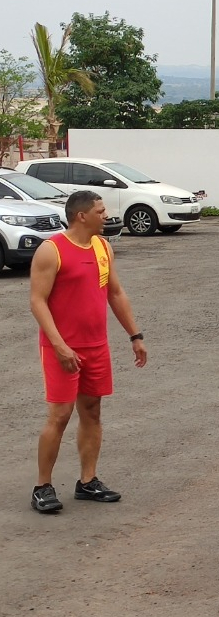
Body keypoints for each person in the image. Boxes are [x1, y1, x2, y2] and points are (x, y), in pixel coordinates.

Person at [29, 190, 147, 513]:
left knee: (92, 411)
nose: (106, 214)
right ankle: (42, 487)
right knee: (60, 415)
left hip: (96, 346)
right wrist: (58, 344)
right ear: (81, 216)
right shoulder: (51, 251)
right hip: (61, 348)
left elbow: (116, 294)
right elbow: (37, 302)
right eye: (100, 210)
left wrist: (135, 335)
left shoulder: (103, 247)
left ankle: (87, 480)